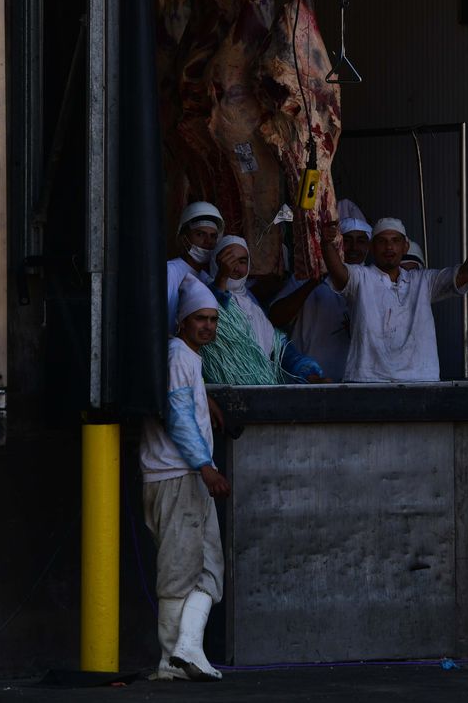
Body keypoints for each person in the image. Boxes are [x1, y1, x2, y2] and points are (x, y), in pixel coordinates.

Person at [142, 276, 230, 681]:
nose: (208, 326)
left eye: (213, 319)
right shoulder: (179, 354)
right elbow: (177, 416)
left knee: (208, 567)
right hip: (178, 475)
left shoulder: (187, 357)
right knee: (180, 571)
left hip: (186, 476)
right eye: (200, 319)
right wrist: (205, 466)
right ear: (183, 322)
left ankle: (186, 649)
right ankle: (171, 662)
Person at [321, 212, 468, 383]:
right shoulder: (361, 277)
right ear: (372, 248)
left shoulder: (423, 280)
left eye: (395, 241)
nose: (389, 247)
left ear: (405, 246)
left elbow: (467, 274)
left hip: (421, 379)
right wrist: (327, 245)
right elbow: (338, 273)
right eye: (382, 241)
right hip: (368, 380)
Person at [202, 236, 325, 384]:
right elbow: (217, 313)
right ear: (216, 261)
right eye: (229, 260)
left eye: (242, 262)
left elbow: (280, 349)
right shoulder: (201, 295)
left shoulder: (252, 306)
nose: (234, 268)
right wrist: (221, 277)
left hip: (257, 390)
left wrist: (307, 372)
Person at [267, 217, 372, 380]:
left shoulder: (374, 281)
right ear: (336, 243)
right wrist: (313, 283)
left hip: (357, 380)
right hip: (309, 379)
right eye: (347, 240)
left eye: (361, 241)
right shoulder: (306, 278)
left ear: (369, 246)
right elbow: (275, 318)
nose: (353, 248)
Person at [166, 202, 223, 334]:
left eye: (213, 236)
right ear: (184, 238)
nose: (208, 241)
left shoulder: (208, 277)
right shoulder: (171, 271)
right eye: (200, 234)